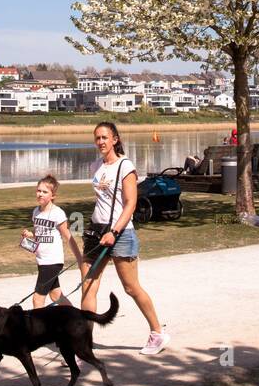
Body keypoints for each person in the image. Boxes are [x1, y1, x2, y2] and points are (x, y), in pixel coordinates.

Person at [79, 121, 170, 356]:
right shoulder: (95, 166)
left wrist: (114, 232)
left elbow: (130, 204)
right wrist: (95, 228)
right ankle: (83, 343)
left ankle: (157, 332)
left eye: (104, 138)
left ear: (115, 139)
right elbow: (102, 202)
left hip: (121, 233)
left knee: (131, 287)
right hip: (96, 232)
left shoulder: (125, 166)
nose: (100, 142)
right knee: (88, 285)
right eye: (97, 138)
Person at [21, 175, 83, 309]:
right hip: (41, 260)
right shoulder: (36, 212)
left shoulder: (58, 213)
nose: (40, 194)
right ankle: (78, 319)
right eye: (38, 191)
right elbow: (39, 234)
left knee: (37, 299)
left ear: (53, 196)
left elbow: (68, 237)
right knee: (56, 295)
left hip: (52, 262)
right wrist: (30, 235)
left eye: (45, 192)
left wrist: (79, 259)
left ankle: (39, 329)